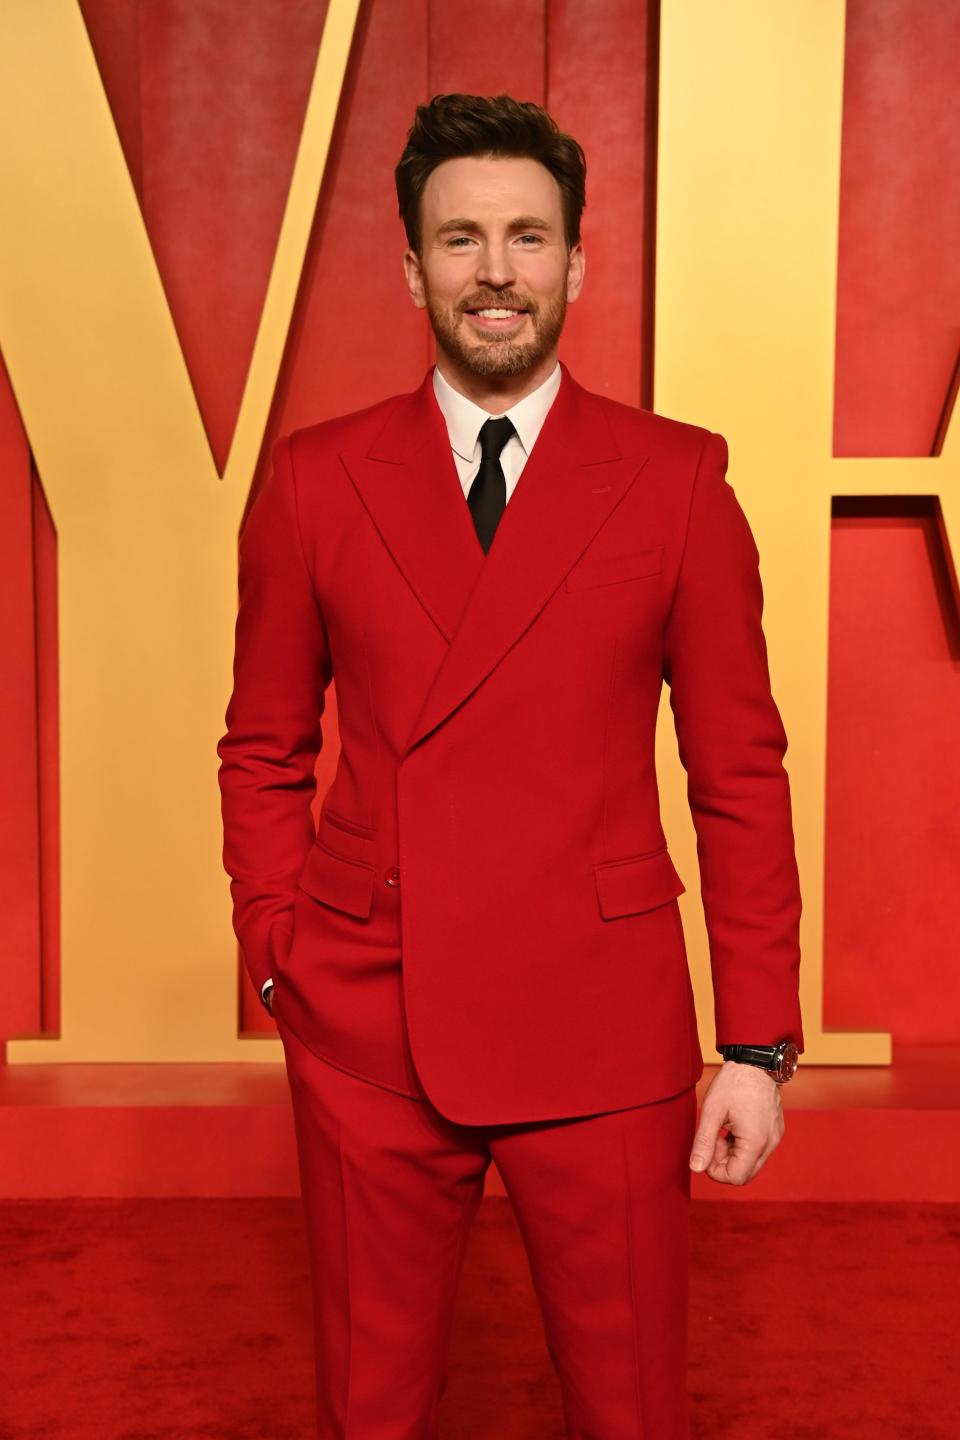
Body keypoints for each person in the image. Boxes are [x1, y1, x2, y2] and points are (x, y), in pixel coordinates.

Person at [217, 91, 804, 1440]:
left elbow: (739, 771)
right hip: (371, 1018)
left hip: (603, 1023)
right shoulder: (315, 481)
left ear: (578, 263)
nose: (496, 270)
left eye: (528, 237)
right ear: (411, 266)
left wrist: (758, 1044)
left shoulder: (677, 484)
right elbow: (263, 744)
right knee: (372, 1406)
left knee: (630, 1406)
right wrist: (276, 948)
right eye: (463, 237)